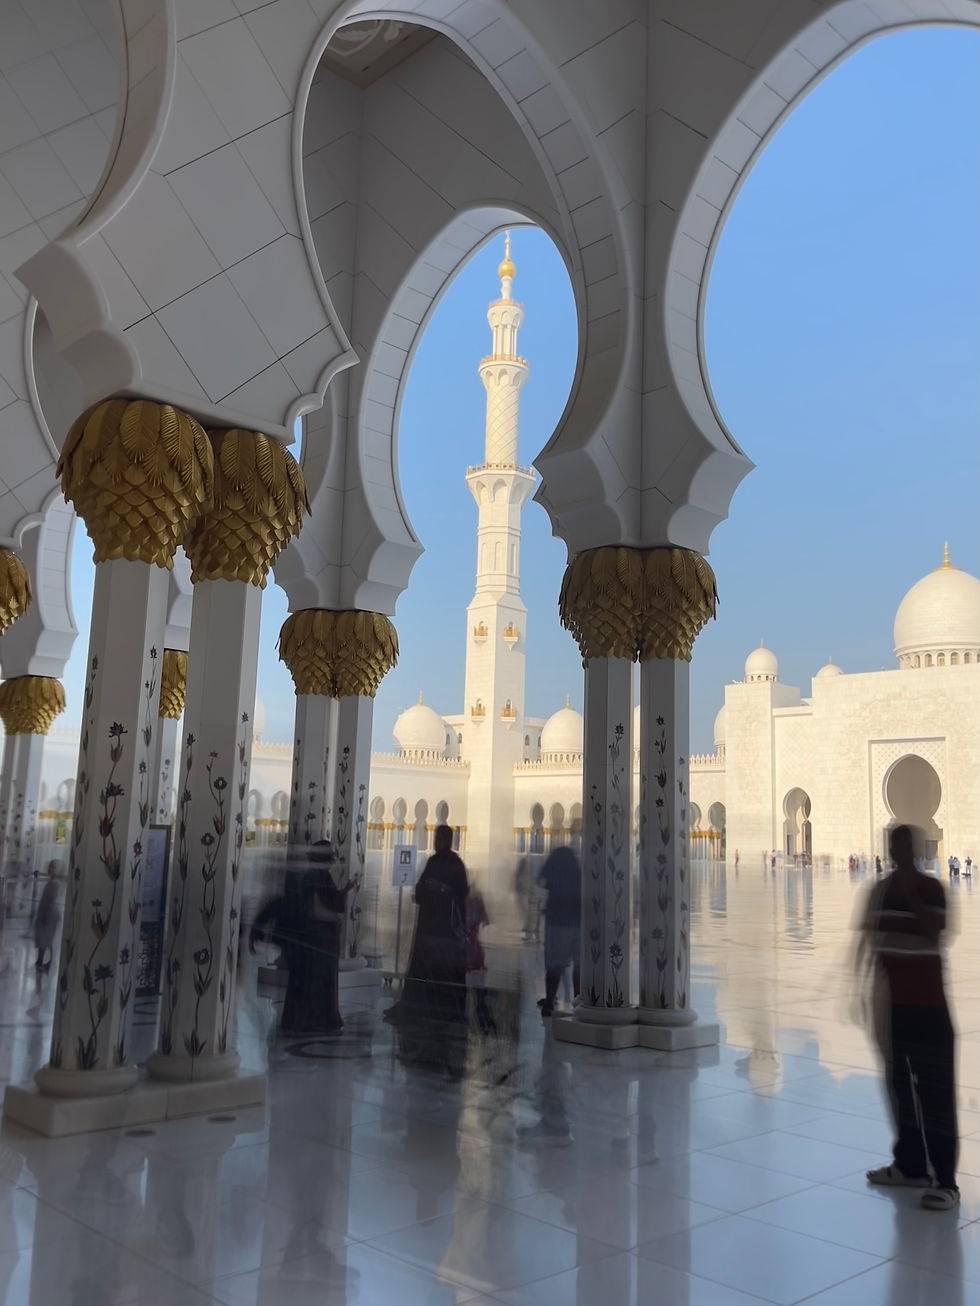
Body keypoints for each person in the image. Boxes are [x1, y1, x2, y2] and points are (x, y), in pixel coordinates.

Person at [862, 824, 959, 1210]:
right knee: (901, 1090)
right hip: (895, 1009)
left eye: (903, 848)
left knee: (935, 1094)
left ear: (913, 850)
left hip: (930, 1009)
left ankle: (946, 1182)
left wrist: (909, 889)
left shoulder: (933, 890)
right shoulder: (879, 892)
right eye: (892, 847)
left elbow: (936, 931)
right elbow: (871, 945)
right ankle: (910, 1166)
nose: (896, 854)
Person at [250, 844, 351, 1036]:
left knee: (308, 983)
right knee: (315, 983)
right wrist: (340, 904)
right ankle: (315, 1021)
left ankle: (305, 1020)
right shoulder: (317, 878)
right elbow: (324, 908)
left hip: (314, 942)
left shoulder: (312, 878)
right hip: (319, 942)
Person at [387, 824, 468, 1034]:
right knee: (423, 968)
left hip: (444, 930)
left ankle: (442, 1010)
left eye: (441, 839)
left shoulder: (456, 864)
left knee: (443, 971)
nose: (437, 843)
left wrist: (441, 889)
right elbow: (420, 888)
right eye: (436, 838)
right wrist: (426, 888)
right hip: (428, 926)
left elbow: (462, 894)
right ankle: (418, 1007)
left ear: (448, 841)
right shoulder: (433, 861)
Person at [536, 845, 581, 1017]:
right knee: (578, 965)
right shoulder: (577, 873)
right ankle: (578, 1001)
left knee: (554, 965)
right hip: (576, 921)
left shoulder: (554, 873)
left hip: (558, 923)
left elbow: (542, 882)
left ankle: (549, 1001)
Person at [33, 861, 61, 971]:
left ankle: (47, 962)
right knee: (43, 939)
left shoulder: (55, 884)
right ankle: (41, 960)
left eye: (53, 868)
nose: (51, 870)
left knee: (48, 940)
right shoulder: (50, 883)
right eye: (50, 868)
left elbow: (51, 900)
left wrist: (45, 915)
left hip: (49, 916)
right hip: (45, 915)